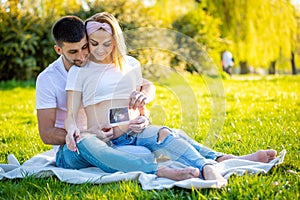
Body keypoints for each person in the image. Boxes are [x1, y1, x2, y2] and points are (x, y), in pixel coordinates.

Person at [36, 15, 277, 182]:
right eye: (76, 51)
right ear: (60, 50)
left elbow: (134, 92)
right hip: (78, 144)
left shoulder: (117, 65)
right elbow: (50, 131)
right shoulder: (55, 78)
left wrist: (141, 114)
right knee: (89, 141)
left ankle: (213, 163)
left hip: (121, 135)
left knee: (164, 132)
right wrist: (78, 133)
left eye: (86, 47)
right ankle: (159, 170)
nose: (86, 54)